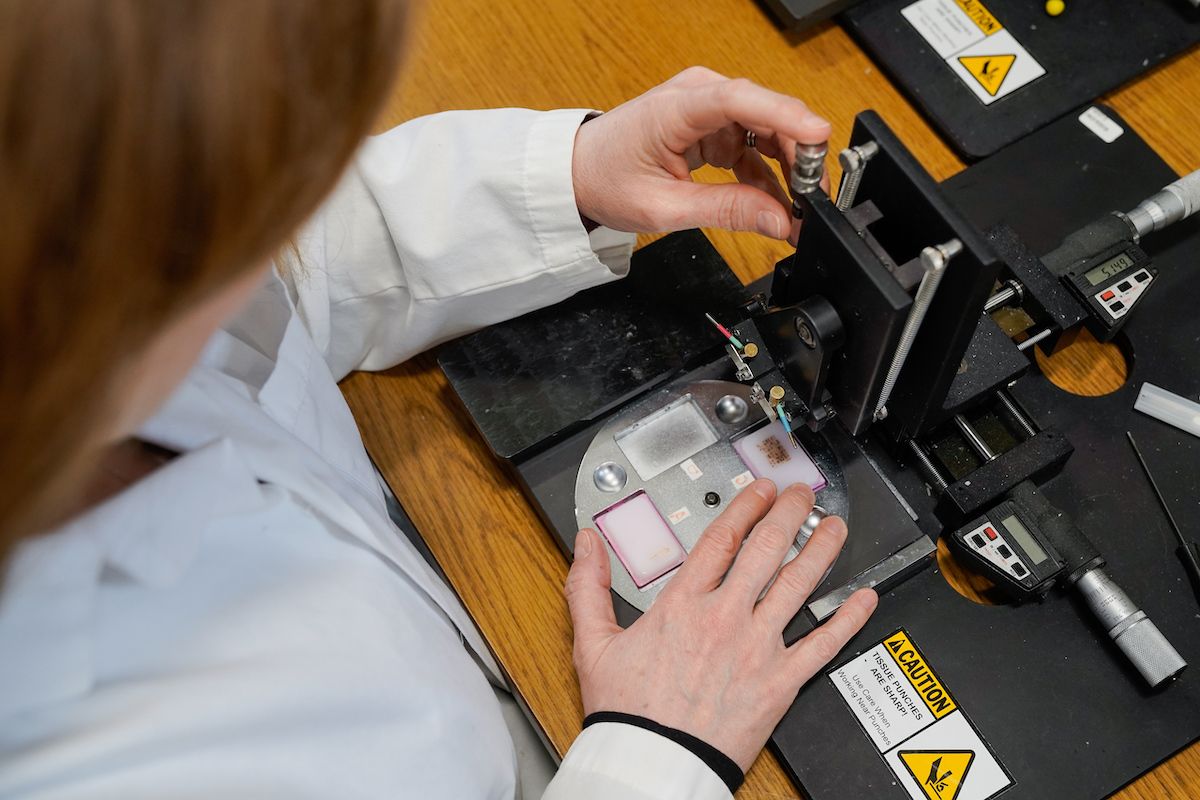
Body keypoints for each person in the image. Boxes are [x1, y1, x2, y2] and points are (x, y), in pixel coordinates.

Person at [0, 2, 877, 798]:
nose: (282, 218)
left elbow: (293, 267)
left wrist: (573, 181)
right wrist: (654, 753)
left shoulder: (90, 267)